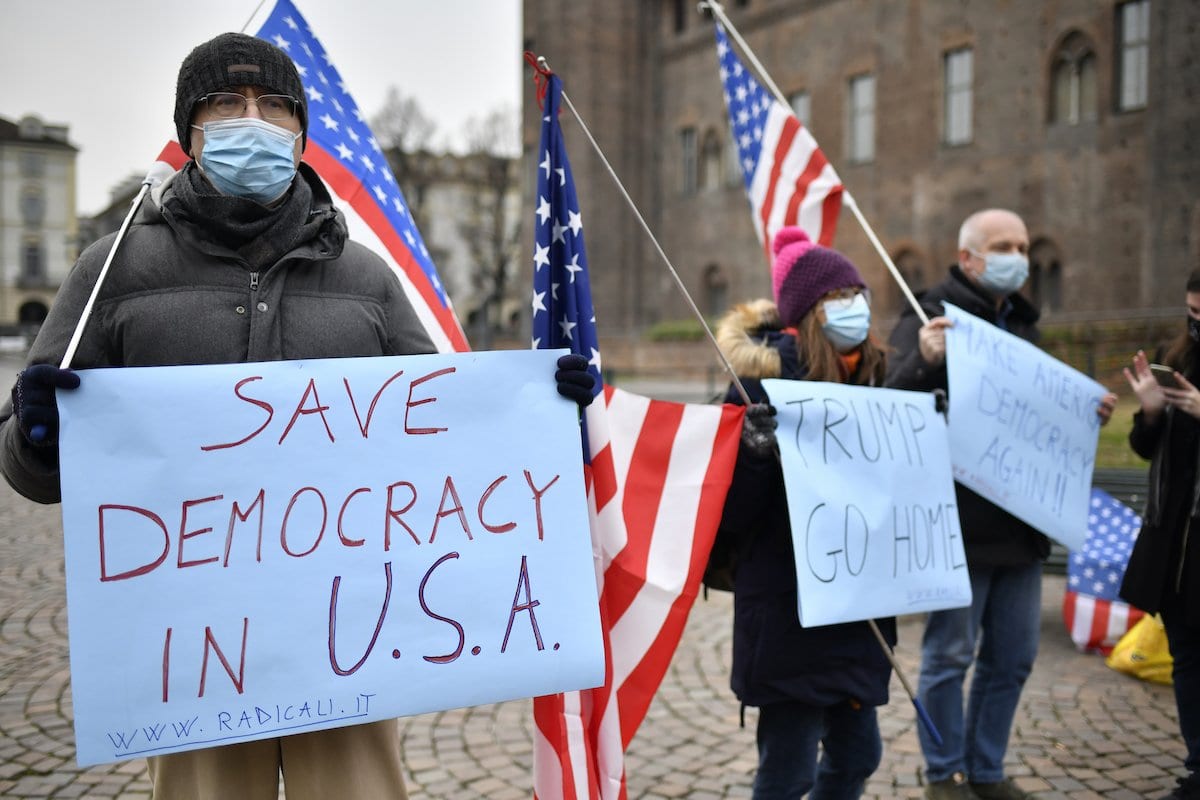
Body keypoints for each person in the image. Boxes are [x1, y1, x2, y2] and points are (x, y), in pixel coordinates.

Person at [0, 32, 593, 800]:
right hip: (192, 648)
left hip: (349, 631)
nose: (254, 119)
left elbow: (448, 431)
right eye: (227, 103)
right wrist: (38, 433)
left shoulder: (365, 279)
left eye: (275, 105)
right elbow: (27, 468)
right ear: (191, 131)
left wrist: (540, 417)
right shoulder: (113, 268)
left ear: (301, 130)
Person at [885, 208, 1117, 800]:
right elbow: (890, 405)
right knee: (949, 655)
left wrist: (1084, 414)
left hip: (1022, 526)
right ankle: (945, 772)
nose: (1019, 254)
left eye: (1021, 243)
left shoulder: (1023, 327)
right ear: (969, 258)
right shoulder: (926, 317)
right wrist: (924, 363)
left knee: (1013, 657)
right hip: (958, 526)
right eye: (1004, 245)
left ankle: (986, 770)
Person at [716, 226, 896, 799]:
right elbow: (728, 517)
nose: (856, 307)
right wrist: (752, 454)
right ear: (808, 313)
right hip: (789, 613)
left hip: (856, 609)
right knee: (787, 772)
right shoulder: (756, 387)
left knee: (857, 757)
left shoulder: (873, 376)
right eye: (840, 298)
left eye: (858, 294)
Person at [1119, 269, 1200, 800]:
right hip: (1176, 541)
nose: (1197, 326)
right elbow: (1149, 450)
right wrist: (1151, 412)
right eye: (1193, 315)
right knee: (1188, 658)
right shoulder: (1184, 354)